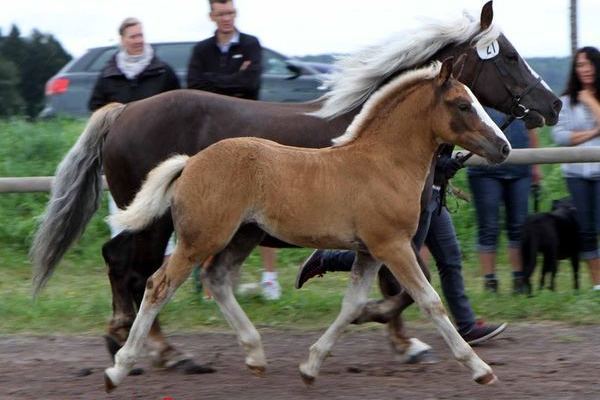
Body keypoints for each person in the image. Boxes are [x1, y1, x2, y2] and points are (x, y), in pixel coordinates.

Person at [296, 146, 507, 345]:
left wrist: (443, 165)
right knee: (397, 258)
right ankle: (328, 259)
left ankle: (466, 325)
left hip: (434, 190)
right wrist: (439, 163)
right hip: (413, 195)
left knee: (450, 258)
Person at [187, 0, 281, 300]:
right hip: (212, 139)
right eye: (221, 14)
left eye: (230, 13)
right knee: (215, 208)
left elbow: (250, 83)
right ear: (211, 16)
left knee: (266, 203)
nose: (227, 18)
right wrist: (233, 82)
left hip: (249, 133)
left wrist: (217, 86)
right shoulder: (201, 50)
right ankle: (209, 282)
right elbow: (195, 86)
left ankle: (270, 278)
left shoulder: (251, 45)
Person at [89, 17, 180, 261]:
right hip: (121, 160)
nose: (139, 40)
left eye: (141, 35)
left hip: (157, 160)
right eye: (133, 36)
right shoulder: (108, 76)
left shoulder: (163, 73)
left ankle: (163, 279)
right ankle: (126, 270)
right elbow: (97, 112)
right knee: (122, 216)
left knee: (161, 219)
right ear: (122, 40)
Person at [467, 108, 540, 293]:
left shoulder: (523, 91)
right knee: (489, 227)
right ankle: (490, 281)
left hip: (520, 167)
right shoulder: (480, 91)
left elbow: (532, 128)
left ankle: (519, 279)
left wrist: (535, 165)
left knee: (519, 226)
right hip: (485, 170)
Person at [552, 46, 600, 291]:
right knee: (587, 227)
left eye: (590, 63)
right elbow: (559, 136)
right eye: (581, 65)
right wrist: (593, 132)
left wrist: (591, 101)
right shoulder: (566, 101)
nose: (586, 69)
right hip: (577, 174)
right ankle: (597, 283)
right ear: (575, 69)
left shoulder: (591, 98)